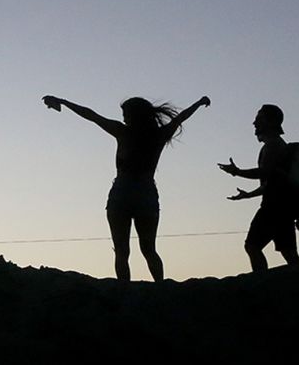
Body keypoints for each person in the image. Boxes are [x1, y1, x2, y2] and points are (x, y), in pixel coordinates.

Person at [42, 92, 211, 282]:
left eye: (126, 114)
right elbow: (181, 118)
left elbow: (91, 115)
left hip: (123, 194)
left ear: (135, 115)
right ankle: (159, 287)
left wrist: (64, 102)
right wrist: (198, 103)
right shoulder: (158, 135)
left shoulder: (123, 132)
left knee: (123, 250)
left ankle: (128, 289)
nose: (123, 117)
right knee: (147, 249)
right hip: (145, 195)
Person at [219, 103, 299, 272]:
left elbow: (266, 173)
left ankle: (262, 284)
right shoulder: (275, 145)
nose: (254, 123)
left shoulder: (273, 146)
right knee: (289, 253)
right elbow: (272, 182)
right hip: (283, 207)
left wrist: (237, 172)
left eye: (259, 119)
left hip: (273, 208)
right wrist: (248, 195)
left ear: (270, 122)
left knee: (252, 246)